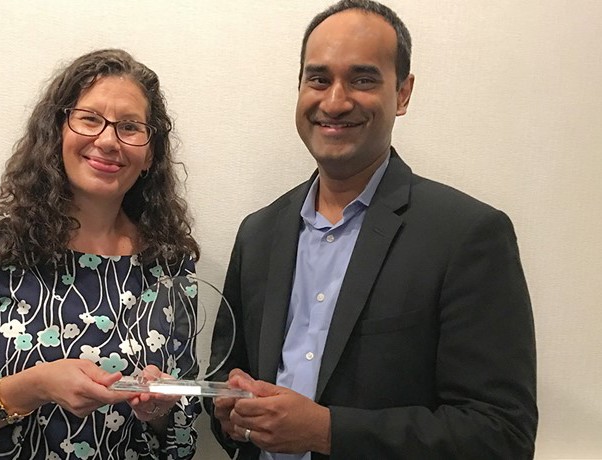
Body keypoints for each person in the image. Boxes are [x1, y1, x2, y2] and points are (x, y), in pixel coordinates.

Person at [207, 1, 538, 459]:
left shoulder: (468, 236)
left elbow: (501, 435)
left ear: (402, 93)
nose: (334, 101)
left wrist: (328, 432)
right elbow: (226, 384)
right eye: (318, 79)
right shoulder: (258, 234)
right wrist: (231, 413)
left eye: (362, 80)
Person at [0, 49, 202, 459]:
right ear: (57, 131)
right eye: (90, 119)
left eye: (130, 127)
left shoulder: (168, 261)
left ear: (150, 154)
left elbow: (184, 437)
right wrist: (34, 387)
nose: (108, 141)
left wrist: (159, 412)